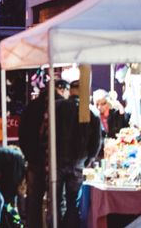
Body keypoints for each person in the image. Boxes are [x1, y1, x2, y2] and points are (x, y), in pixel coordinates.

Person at [18, 79, 68, 228]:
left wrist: (29, 155)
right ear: (61, 89)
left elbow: (23, 134)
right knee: (58, 200)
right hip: (58, 161)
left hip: (35, 161)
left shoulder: (32, 106)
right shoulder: (64, 106)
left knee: (34, 199)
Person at [55, 80, 102, 228]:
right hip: (79, 161)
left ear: (71, 91)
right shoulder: (91, 111)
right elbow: (96, 140)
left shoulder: (57, 107)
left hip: (58, 160)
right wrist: (89, 158)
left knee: (56, 201)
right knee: (73, 201)